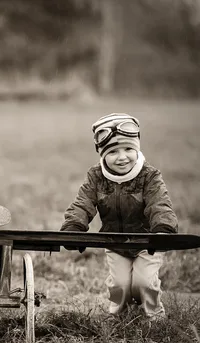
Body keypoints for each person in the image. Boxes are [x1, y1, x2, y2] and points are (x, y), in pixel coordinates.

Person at [60, 113, 178, 319]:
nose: (122, 157)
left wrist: (163, 229)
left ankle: (154, 316)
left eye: (129, 149)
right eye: (113, 151)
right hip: (115, 242)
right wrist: (74, 226)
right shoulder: (96, 177)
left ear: (137, 148)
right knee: (120, 285)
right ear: (102, 153)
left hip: (147, 242)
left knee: (143, 282)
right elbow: (83, 203)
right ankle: (118, 314)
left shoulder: (149, 176)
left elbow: (159, 203)